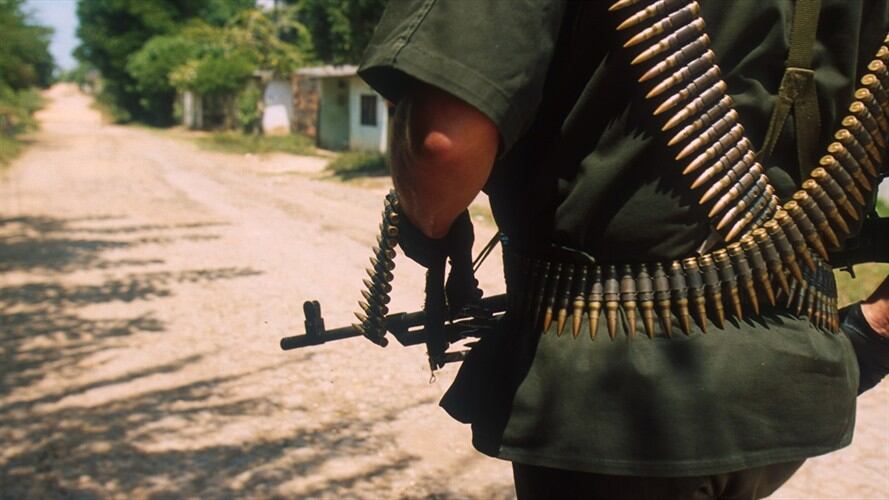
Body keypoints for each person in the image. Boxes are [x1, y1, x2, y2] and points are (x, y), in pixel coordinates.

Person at [358, 1, 889, 498]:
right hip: (791, 391)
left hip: (612, 403)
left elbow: (442, 148)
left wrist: (425, 223)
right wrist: (871, 335)